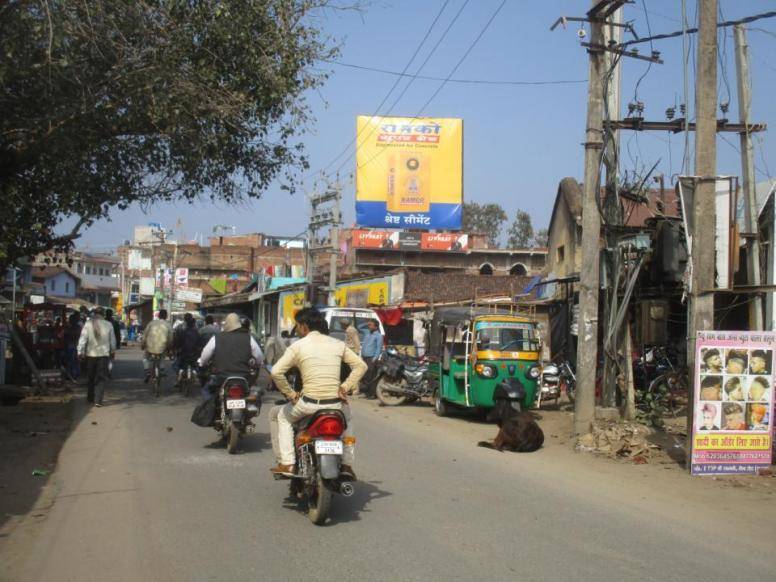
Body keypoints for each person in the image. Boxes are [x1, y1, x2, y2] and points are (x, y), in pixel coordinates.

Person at [269, 308, 367, 478]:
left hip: (307, 404)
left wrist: (291, 394)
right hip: (335, 405)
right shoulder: (337, 344)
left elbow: (276, 371)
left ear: (304, 326)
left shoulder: (297, 346)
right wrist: (344, 387)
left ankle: (288, 463)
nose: (297, 330)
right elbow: (361, 366)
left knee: (283, 417)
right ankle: (347, 465)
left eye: (297, 326)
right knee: (349, 419)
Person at [198, 313, 263, 401]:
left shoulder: (216, 338)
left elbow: (205, 355)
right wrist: (257, 364)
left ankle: (208, 408)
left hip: (222, 377)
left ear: (226, 324)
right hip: (243, 377)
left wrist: (202, 363)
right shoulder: (249, 338)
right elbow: (259, 357)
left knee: (206, 390)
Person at [77, 307, 116, 407]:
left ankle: (90, 397)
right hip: (103, 355)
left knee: (91, 377)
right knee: (101, 378)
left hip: (91, 355)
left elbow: (83, 339)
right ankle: (98, 400)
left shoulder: (88, 324)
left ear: (94, 314)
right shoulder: (108, 324)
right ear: (103, 314)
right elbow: (112, 341)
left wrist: (80, 352)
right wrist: (112, 351)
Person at [141, 310, 173, 382]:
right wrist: (169, 346)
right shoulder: (168, 325)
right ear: (166, 316)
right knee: (162, 357)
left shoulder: (151, 323)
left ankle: (147, 371)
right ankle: (162, 370)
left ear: (158, 316)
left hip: (150, 346)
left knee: (145, 358)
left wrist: (143, 344)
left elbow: (145, 335)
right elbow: (171, 338)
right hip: (162, 347)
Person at [174, 314, 201, 387]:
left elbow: (177, 342)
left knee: (176, 365)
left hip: (184, 354)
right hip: (194, 355)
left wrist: (176, 350)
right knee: (196, 365)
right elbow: (199, 344)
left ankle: (179, 377)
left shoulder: (181, 330)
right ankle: (195, 374)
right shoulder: (197, 332)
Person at [359, 319, 383, 399]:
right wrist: (367, 323)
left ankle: (372, 394)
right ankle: (366, 392)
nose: (369, 326)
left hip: (371, 358)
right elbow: (359, 327)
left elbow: (379, 348)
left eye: (370, 325)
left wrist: (375, 358)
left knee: (371, 376)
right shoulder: (367, 332)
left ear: (376, 327)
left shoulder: (378, 336)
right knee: (365, 375)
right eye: (368, 325)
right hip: (364, 357)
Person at [62, 312, 82, 380]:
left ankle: (73, 374)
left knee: (73, 361)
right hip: (73, 345)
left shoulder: (74, 327)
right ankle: (73, 374)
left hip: (73, 345)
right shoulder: (71, 327)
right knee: (73, 361)